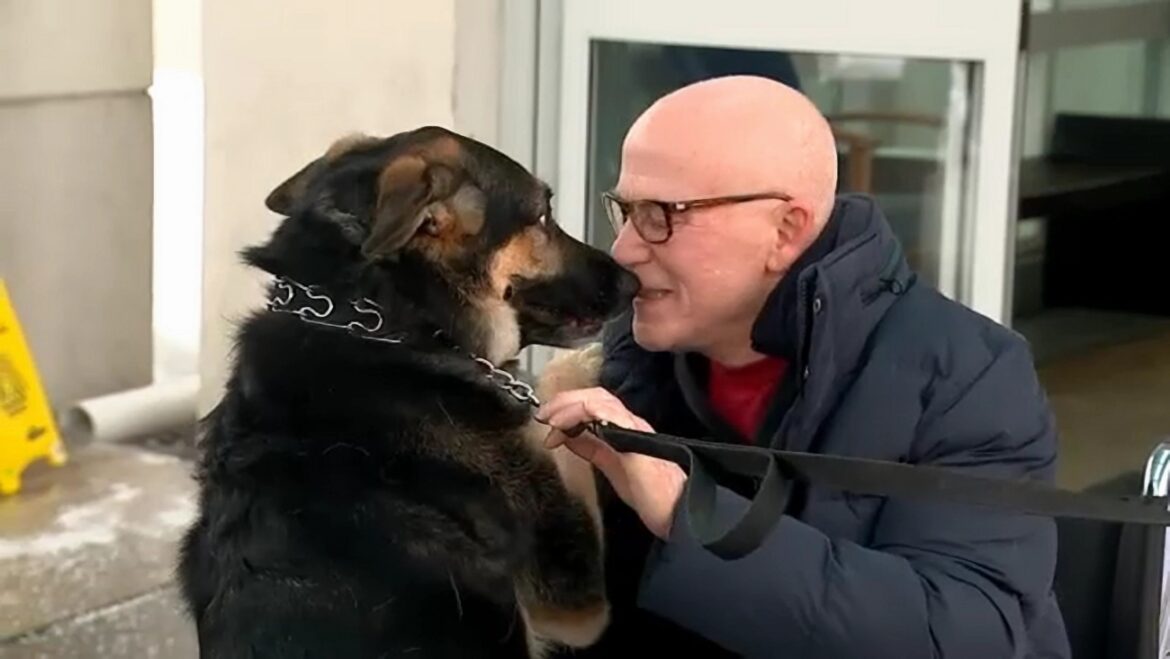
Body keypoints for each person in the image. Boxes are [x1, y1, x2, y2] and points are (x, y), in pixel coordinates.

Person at [536, 75, 1071, 658]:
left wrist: (688, 514)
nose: (626, 252)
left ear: (785, 230)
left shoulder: (968, 376)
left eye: (663, 215)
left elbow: (963, 638)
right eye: (626, 212)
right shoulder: (629, 364)